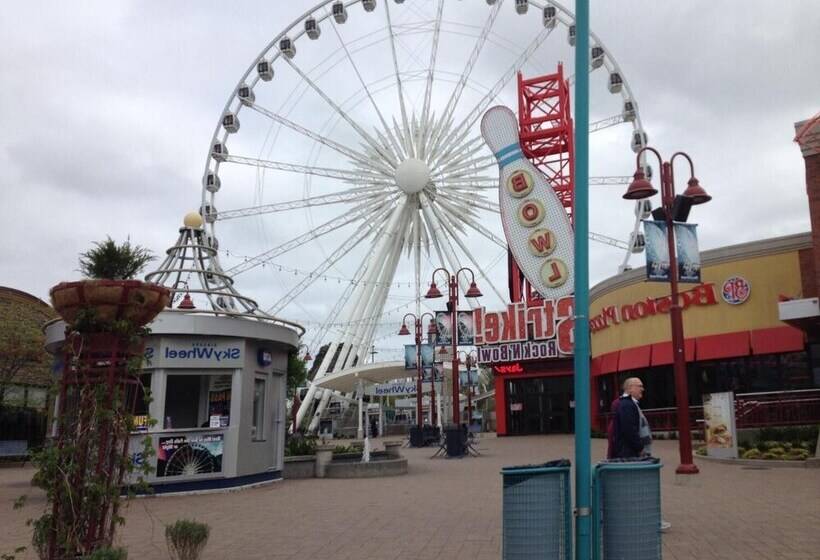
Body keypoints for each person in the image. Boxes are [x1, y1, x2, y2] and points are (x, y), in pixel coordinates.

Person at [612, 377, 652, 459]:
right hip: (629, 454)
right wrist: (640, 448)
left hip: (629, 452)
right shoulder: (627, 405)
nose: (642, 389)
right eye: (639, 386)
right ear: (630, 388)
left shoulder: (628, 404)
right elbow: (629, 430)